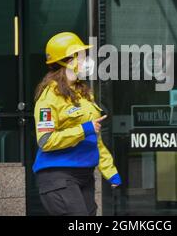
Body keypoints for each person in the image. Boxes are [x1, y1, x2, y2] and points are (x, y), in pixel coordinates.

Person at [33, 32, 121, 216]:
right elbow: (45, 140)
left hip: (84, 175)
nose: (86, 60)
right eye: (81, 56)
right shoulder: (48, 98)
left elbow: (94, 139)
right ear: (68, 60)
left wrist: (110, 171)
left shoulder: (84, 95)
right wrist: (83, 129)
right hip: (58, 176)